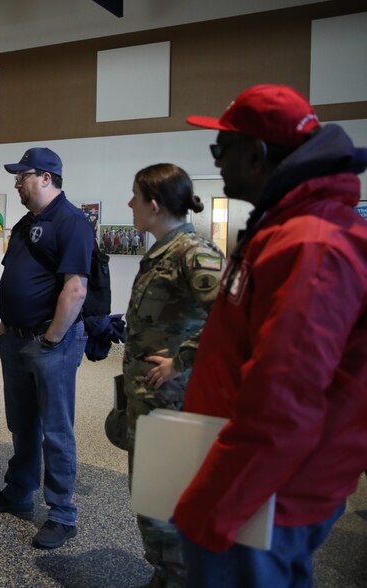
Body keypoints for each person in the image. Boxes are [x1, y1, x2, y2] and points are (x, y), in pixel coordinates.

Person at [176, 84, 367, 585]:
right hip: (258, 485)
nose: (216, 161)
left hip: (264, 497)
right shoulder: (286, 228)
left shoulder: (312, 243)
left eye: (222, 149)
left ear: (257, 154)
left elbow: (286, 400)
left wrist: (215, 504)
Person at [0, 147, 93, 549]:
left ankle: (61, 514)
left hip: (50, 343)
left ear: (45, 177)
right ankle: (18, 493)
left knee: (56, 431)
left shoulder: (73, 221)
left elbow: (75, 288)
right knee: (22, 424)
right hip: (15, 339)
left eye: (22, 175)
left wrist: (52, 340)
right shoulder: (28, 222)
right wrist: (7, 326)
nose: (15, 183)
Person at [122, 163, 224, 587]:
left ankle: (178, 576)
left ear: (154, 204)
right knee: (150, 492)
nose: (129, 204)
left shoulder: (193, 252)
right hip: (148, 396)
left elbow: (231, 318)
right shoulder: (165, 248)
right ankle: (165, 574)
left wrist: (180, 361)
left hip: (170, 397)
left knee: (164, 495)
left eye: (134, 196)